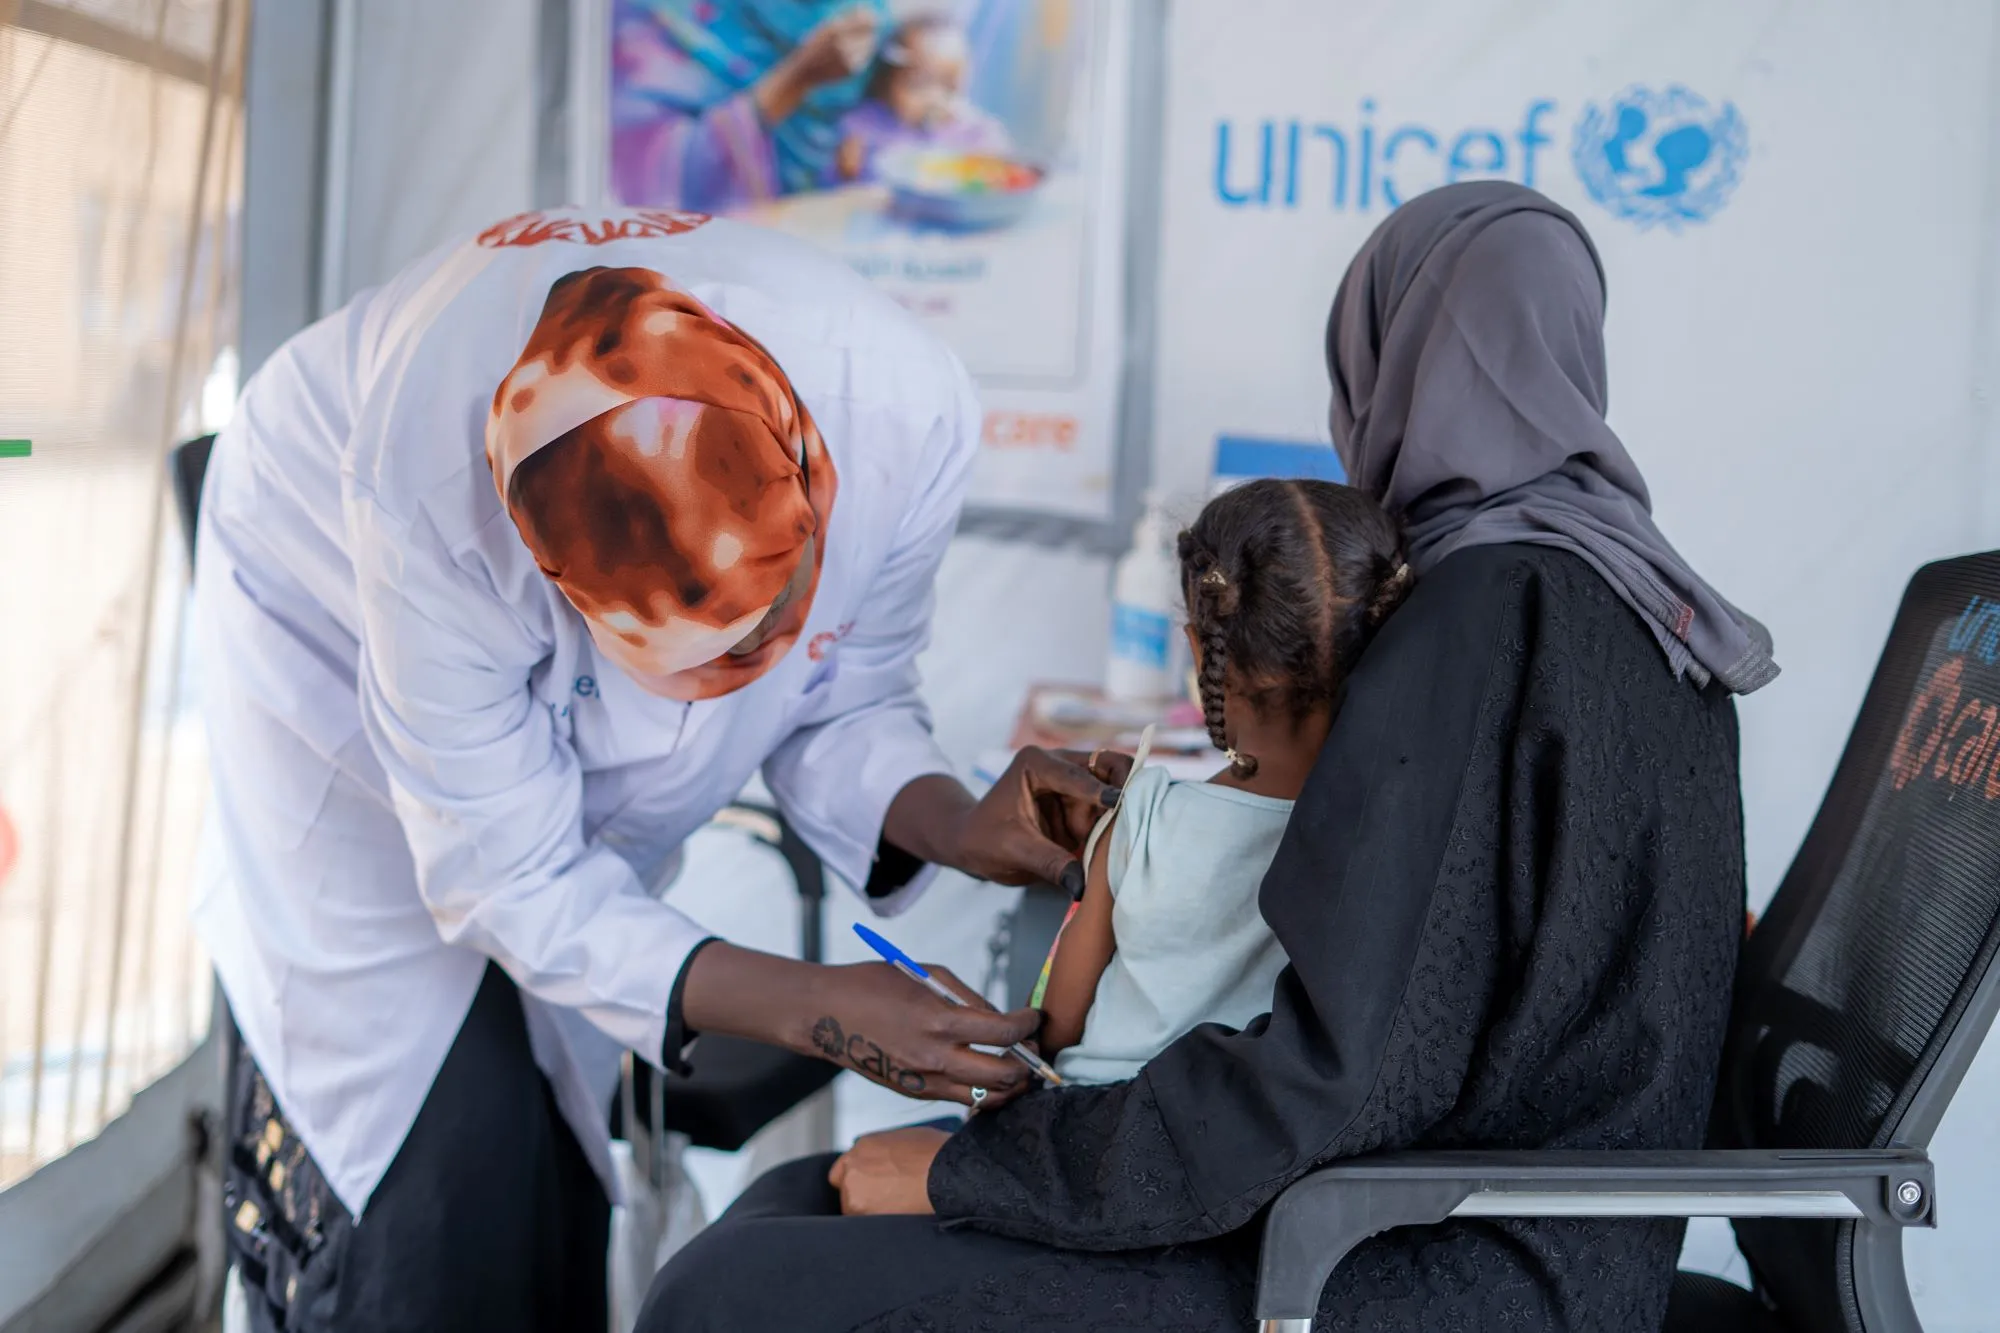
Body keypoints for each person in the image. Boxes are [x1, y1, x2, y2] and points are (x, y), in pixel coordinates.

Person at [638, 179, 1776, 1331]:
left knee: (729, 1293)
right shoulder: (1652, 608)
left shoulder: (1474, 618)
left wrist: (980, 1170)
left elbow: (1341, 1080)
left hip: (1417, 1257)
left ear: (1382, 356)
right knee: (789, 1208)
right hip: (1513, 1239)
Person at [192, 203, 1126, 1333]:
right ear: (555, 582)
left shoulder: (905, 410)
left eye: (769, 619)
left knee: (553, 1129)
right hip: (323, 638)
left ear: (804, 458)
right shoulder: (425, 502)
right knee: (429, 1168)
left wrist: (960, 823)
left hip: (501, 677)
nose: (737, 681)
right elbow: (506, 877)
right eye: (689, 661)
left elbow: (846, 694)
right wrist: (815, 1004)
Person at [1034, 480, 1413, 1085]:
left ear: (1200, 648)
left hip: (1100, 1115)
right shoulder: (1394, 836)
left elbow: (1054, 1028)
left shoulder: (1143, 818)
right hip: (1271, 1130)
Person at [611, 0, 886, 212]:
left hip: (834, 227)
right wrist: (794, 80)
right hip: (702, 248)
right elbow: (653, 180)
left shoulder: (866, 10)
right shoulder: (657, 19)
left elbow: (874, 115)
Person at [825, 15, 1012, 187]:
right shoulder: (862, 129)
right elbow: (830, 192)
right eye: (918, 85)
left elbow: (1004, 182)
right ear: (888, 82)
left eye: (950, 86)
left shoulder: (976, 134)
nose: (934, 98)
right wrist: (845, 172)